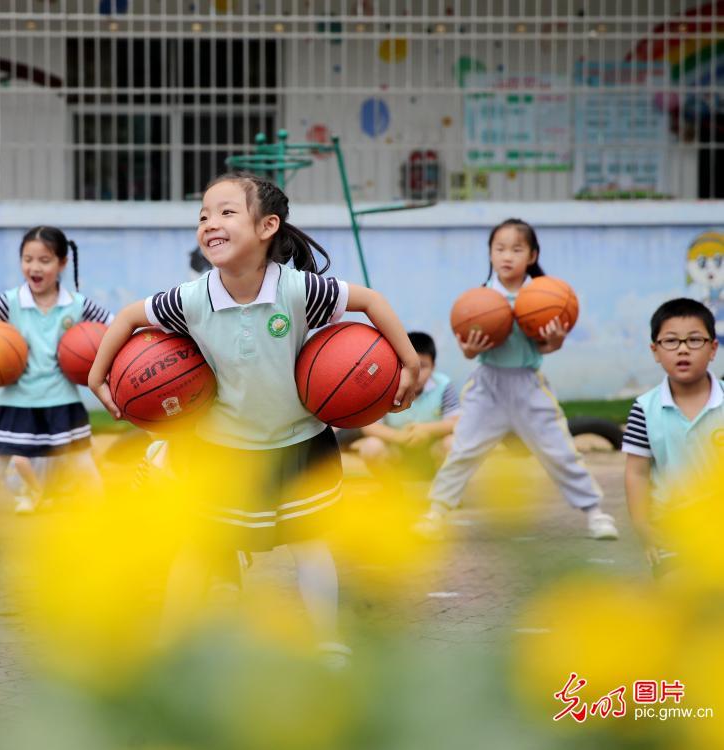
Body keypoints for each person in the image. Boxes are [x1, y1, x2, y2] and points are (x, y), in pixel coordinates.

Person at [88, 172, 420, 664]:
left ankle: (327, 639)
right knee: (198, 547)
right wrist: (99, 376)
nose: (210, 223)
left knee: (310, 545)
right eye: (203, 215)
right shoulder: (194, 298)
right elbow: (130, 316)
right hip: (224, 448)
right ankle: (168, 640)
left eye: (225, 212)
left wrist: (409, 362)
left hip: (299, 441)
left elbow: (370, 301)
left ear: (267, 227)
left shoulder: (298, 290)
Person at [418, 218, 619, 540]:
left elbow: (547, 347)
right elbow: (470, 354)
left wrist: (556, 340)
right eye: (499, 249)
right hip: (487, 385)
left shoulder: (547, 295)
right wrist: (469, 349)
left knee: (559, 450)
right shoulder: (479, 299)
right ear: (490, 254)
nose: (507, 256)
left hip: (528, 384)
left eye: (516, 249)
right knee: (463, 450)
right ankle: (435, 512)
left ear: (533, 255)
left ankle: (595, 512)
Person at [0, 226, 112, 557]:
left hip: (62, 400)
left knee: (83, 467)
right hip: (17, 400)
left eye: (45, 260)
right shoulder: (10, 301)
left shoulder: (76, 305)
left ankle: (103, 532)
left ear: (62, 263)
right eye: (28, 259)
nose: (35, 267)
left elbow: (115, 324)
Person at [622, 298, 721, 574]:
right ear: (655, 351)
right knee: (681, 609)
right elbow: (637, 473)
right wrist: (643, 527)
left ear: (713, 348)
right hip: (670, 531)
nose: (683, 349)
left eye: (694, 340)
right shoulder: (644, 408)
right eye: (671, 341)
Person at [356, 331, 459, 480]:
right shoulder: (386, 386)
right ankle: (393, 491)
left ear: (433, 367)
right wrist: (399, 436)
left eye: (422, 366)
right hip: (396, 451)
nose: (416, 373)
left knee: (453, 443)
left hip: (432, 452)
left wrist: (426, 430)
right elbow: (369, 426)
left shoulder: (444, 384)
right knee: (371, 447)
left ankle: (445, 491)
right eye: (409, 365)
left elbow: (456, 422)